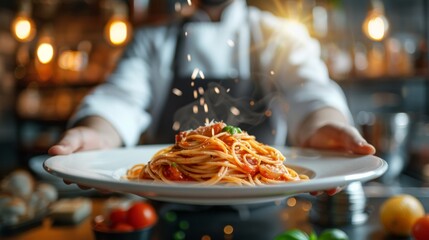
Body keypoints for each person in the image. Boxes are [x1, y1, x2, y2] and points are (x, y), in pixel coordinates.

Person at [49, 0, 375, 189]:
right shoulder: (153, 39)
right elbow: (120, 100)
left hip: (268, 200)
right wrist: (94, 135)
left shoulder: (281, 34)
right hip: (166, 200)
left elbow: (312, 94)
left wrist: (326, 127)